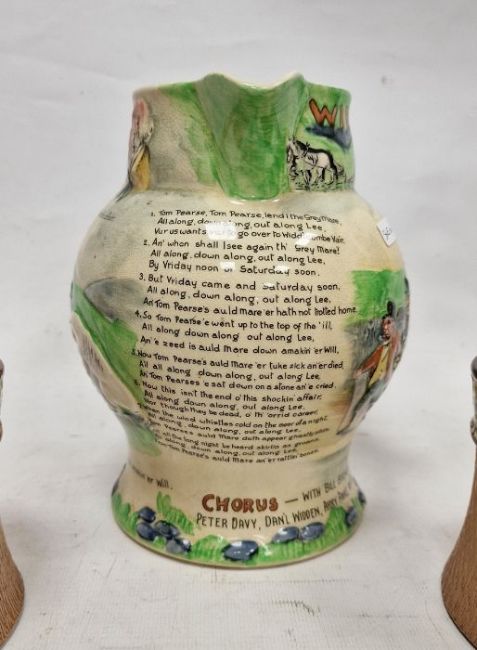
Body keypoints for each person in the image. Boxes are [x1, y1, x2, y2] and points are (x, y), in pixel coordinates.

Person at [337, 301, 401, 434]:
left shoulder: (393, 343)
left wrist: (388, 373)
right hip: (375, 379)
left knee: (363, 402)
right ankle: (350, 424)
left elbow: (391, 357)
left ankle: (348, 426)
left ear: (393, 325)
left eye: (388, 324)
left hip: (380, 379)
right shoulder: (382, 346)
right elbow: (372, 360)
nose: (385, 327)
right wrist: (361, 370)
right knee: (366, 401)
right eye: (384, 324)